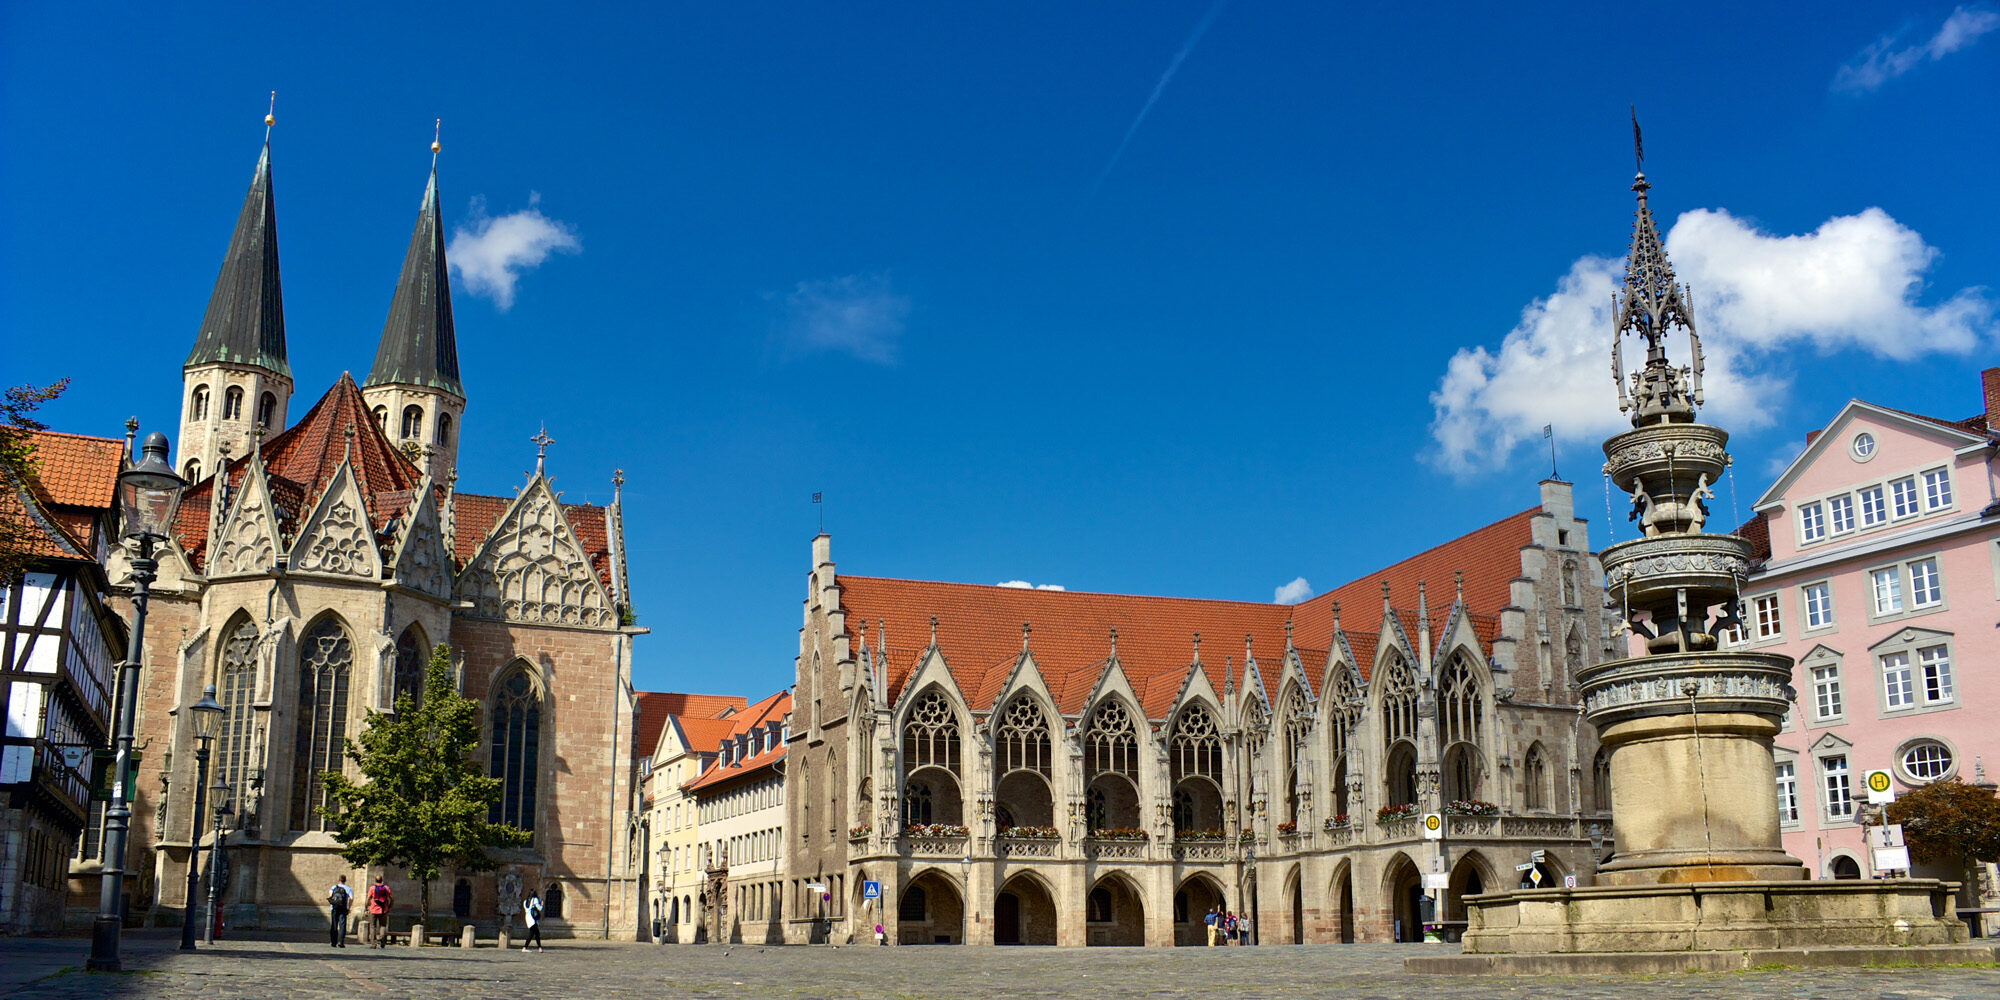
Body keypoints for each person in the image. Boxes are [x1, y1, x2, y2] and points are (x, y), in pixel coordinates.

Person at [366, 875, 393, 947]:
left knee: (372, 926)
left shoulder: (372, 888)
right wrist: (389, 907)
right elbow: (391, 898)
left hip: (373, 910)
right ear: (382, 880)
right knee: (383, 926)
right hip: (383, 910)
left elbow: (368, 899)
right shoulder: (386, 888)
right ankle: (382, 940)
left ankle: (373, 943)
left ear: (375, 880)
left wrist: (366, 908)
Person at [327, 874, 352, 947]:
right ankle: (341, 942)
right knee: (342, 925)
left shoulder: (334, 887)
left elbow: (330, 896)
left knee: (334, 925)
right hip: (343, 908)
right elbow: (351, 898)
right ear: (345, 880)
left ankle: (333, 942)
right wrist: (348, 907)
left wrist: (332, 903)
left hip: (334, 908)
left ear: (339, 880)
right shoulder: (348, 888)